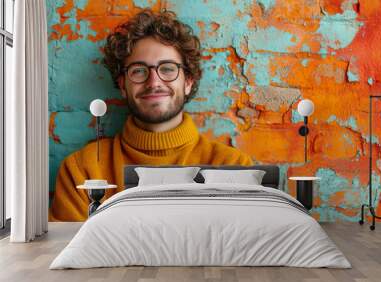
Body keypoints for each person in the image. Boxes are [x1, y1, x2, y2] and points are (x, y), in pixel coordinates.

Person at [49, 9, 253, 221]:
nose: (154, 82)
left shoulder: (234, 168)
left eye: (167, 69)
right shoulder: (83, 171)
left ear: (188, 82)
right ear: (122, 85)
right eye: (138, 70)